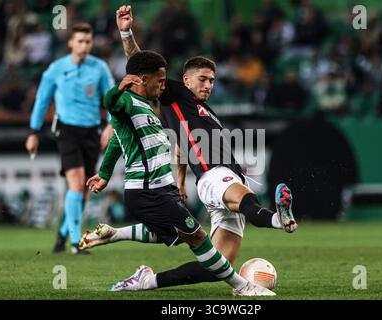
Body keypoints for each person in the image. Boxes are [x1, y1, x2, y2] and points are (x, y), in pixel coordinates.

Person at [81, 5, 298, 290]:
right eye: (203, 79)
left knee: (218, 267)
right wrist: (126, 32)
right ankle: (278, 219)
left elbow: (181, 148)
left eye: (212, 81)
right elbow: (140, 65)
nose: (208, 85)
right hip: (214, 175)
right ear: (185, 80)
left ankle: (148, 281)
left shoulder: (203, 112)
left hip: (224, 177)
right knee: (247, 202)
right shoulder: (177, 96)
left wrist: (181, 180)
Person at [25, 22, 115, 254]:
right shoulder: (55, 69)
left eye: (88, 41)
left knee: (84, 190)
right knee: (75, 183)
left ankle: (62, 235)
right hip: (66, 131)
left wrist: (110, 126)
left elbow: (113, 99)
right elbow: (42, 101)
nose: (85, 45)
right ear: (70, 43)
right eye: (80, 41)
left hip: (92, 132)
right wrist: (33, 132)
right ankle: (76, 243)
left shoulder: (100, 68)